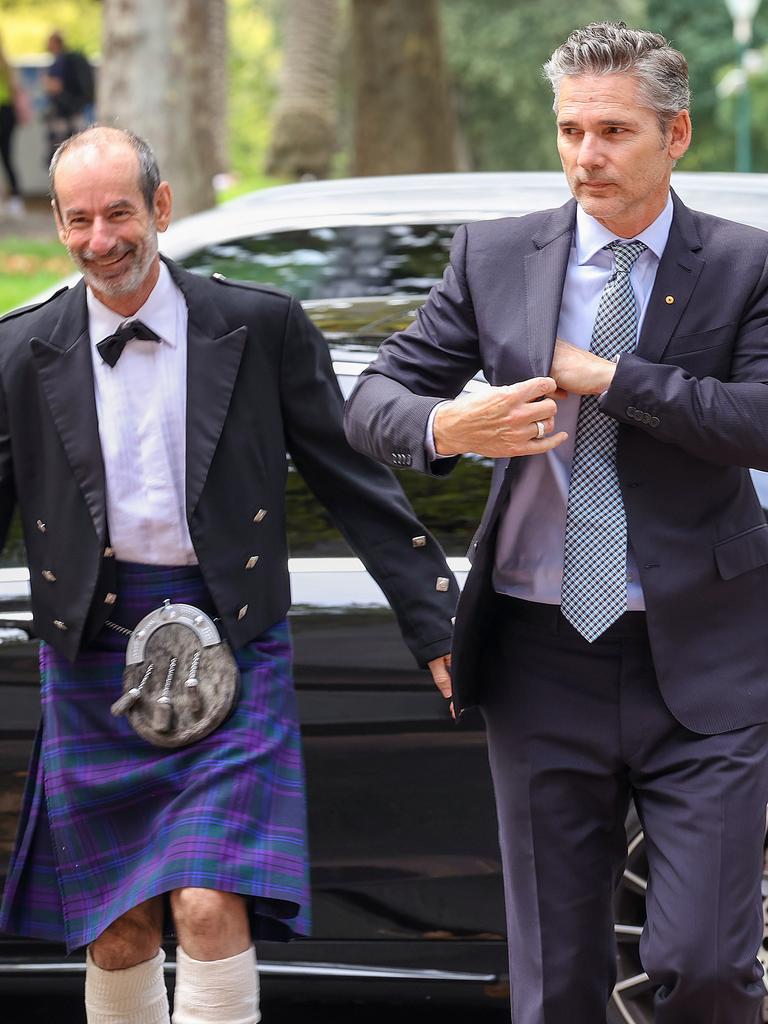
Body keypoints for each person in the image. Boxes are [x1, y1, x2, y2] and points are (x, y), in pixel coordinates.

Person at [344, 20, 768, 1024]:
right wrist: (453, 422)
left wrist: (614, 379)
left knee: (706, 964)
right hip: (543, 654)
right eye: (571, 129)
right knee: (556, 986)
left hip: (705, 651)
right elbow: (374, 401)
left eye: (614, 130)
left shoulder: (746, 265)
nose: (587, 155)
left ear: (677, 135)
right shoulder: (496, 257)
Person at [0, 125, 457, 1024]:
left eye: (120, 213)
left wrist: (438, 624)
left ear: (162, 208)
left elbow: (352, 480)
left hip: (232, 633)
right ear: (58, 224)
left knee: (207, 902)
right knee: (117, 922)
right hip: (94, 643)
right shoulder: (22, 350)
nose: (102, 240)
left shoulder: (257, 327)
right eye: (80, 219)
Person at [42, 31, 94, 161]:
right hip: (75, 111)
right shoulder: (70, 60)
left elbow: (56, 86)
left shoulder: (60, 62)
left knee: (60, 152)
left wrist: (49, 83)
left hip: (63, 113)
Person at [0, 34, 26, 219]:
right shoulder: (7, 65)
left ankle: (14, 199)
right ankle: (14, 199)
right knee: (7, 156)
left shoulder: (6, 65)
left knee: (7, 156)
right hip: (8, 112)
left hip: (5, 111)